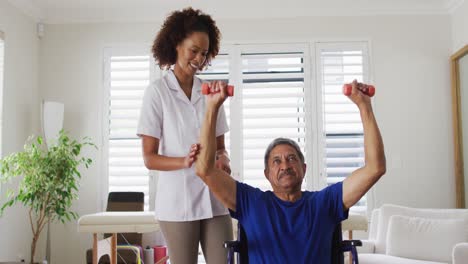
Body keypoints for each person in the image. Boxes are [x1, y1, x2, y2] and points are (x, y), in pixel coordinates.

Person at [195, 80, 386, 263]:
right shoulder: (251, 202)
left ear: (304, 169)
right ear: (267, 174)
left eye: (292, 159)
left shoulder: (325, 202)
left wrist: (364, 106)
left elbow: (375, 168)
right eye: (276, 161)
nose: (285, 166)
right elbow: (205, 169)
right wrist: (212, 107)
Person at [137, 7, 233, 264]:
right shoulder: (157, 93)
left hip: (214, 196)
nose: (199, 59)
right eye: (194, 50)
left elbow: (221, 146)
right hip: (177, 202)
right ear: (177, 44)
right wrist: (184, 161)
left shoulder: (210, 92)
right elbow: (149, 158)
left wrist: (223, 159)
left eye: (204, 53)